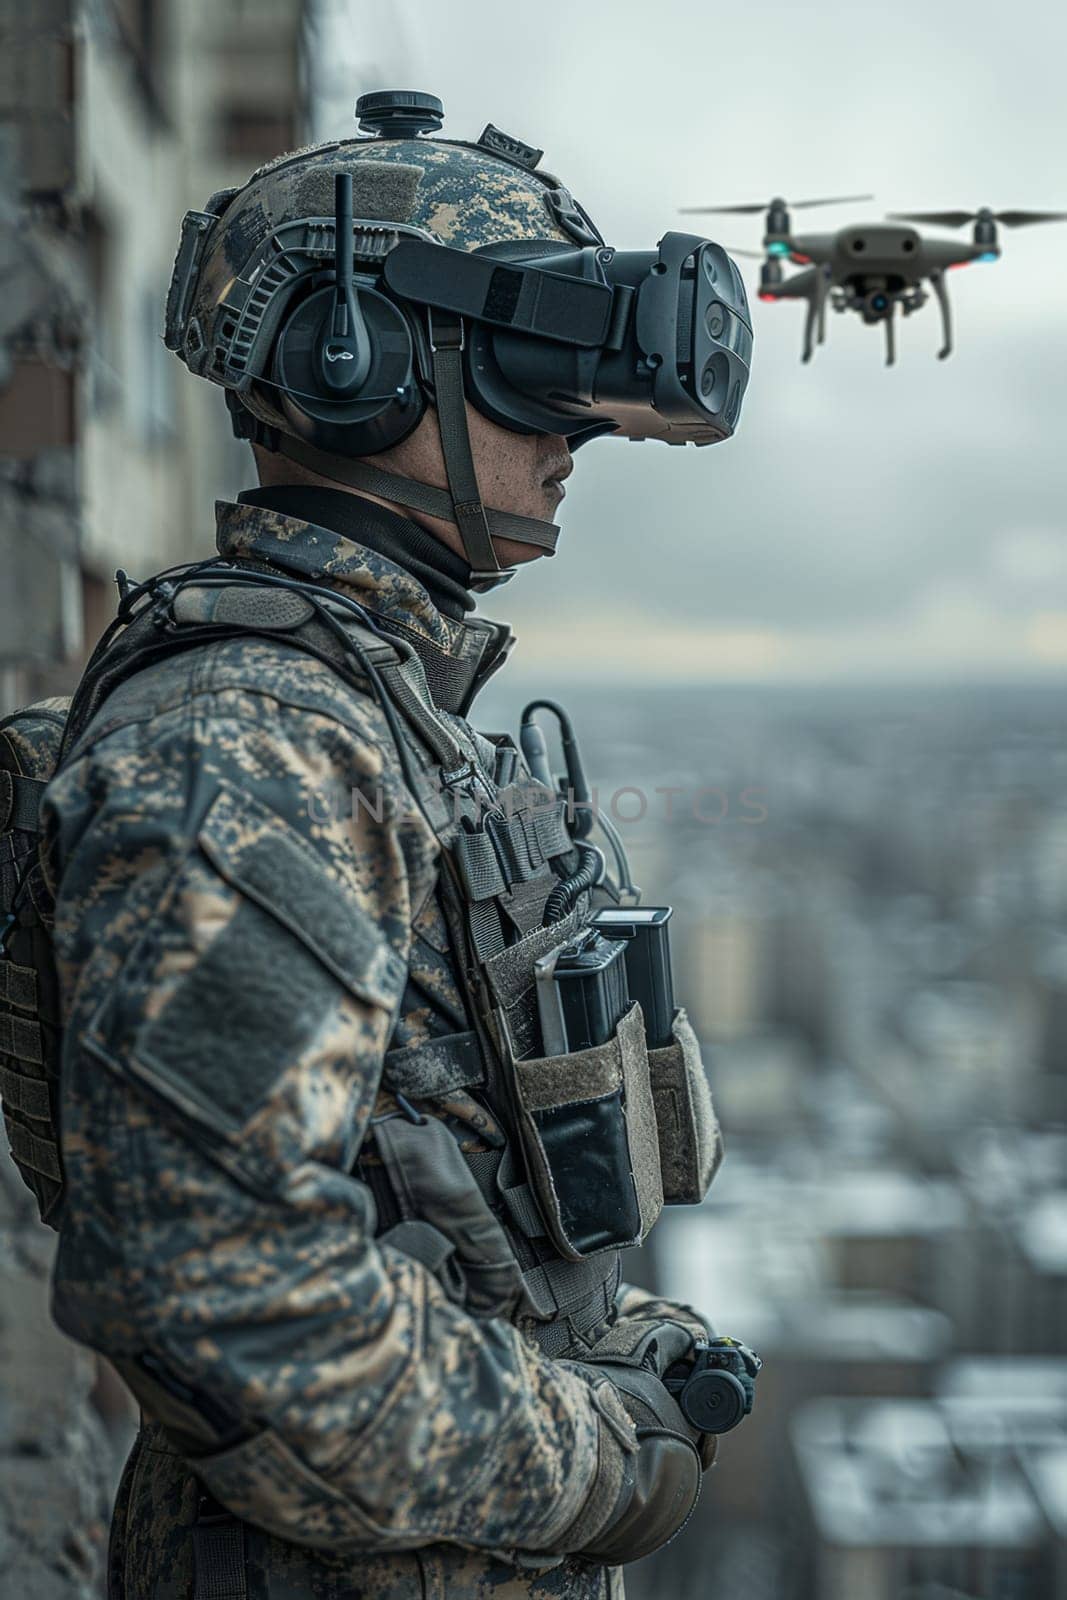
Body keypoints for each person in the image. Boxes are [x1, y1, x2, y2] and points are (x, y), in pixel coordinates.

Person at [40, 91, 754, 1599]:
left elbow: (427, 1174)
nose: (577, 436)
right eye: (529, 370)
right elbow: (233, 1309)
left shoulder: (376, 711)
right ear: (352, 361)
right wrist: (604, 1455)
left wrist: (607, 1346)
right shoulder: (253, 739)